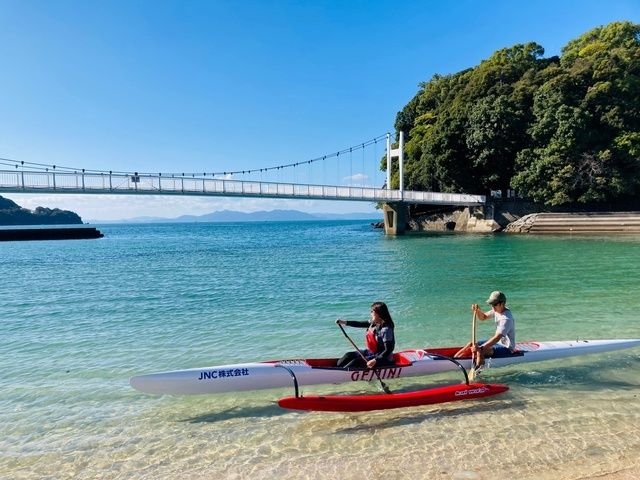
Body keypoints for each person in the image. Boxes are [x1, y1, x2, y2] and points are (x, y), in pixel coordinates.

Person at [454, 291, 516, 368]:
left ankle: (477, 370)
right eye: (492, 304)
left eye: (495, 304)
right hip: (497, 343)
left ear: (502, 303)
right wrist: (477, 311)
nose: (493, 307)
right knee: (471, 344)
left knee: (479, 351)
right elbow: (483, 317)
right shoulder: (497, 310)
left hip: (506, 348)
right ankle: (454, 360)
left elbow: (497, 338)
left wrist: (481, 348)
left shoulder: (506, 319)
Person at [335, 301, 396, 369]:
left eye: (372, 311)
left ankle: (340, 374)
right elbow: (360, 324)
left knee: (355, 362)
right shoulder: (374, 323)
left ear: (379, 313)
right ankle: (334, 370)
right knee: (348, 355)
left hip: (383, 359)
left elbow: (389, 349)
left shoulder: (386, 329)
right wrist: (344, 322)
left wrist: (375, 360)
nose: (371, 313)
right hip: (371, 353)